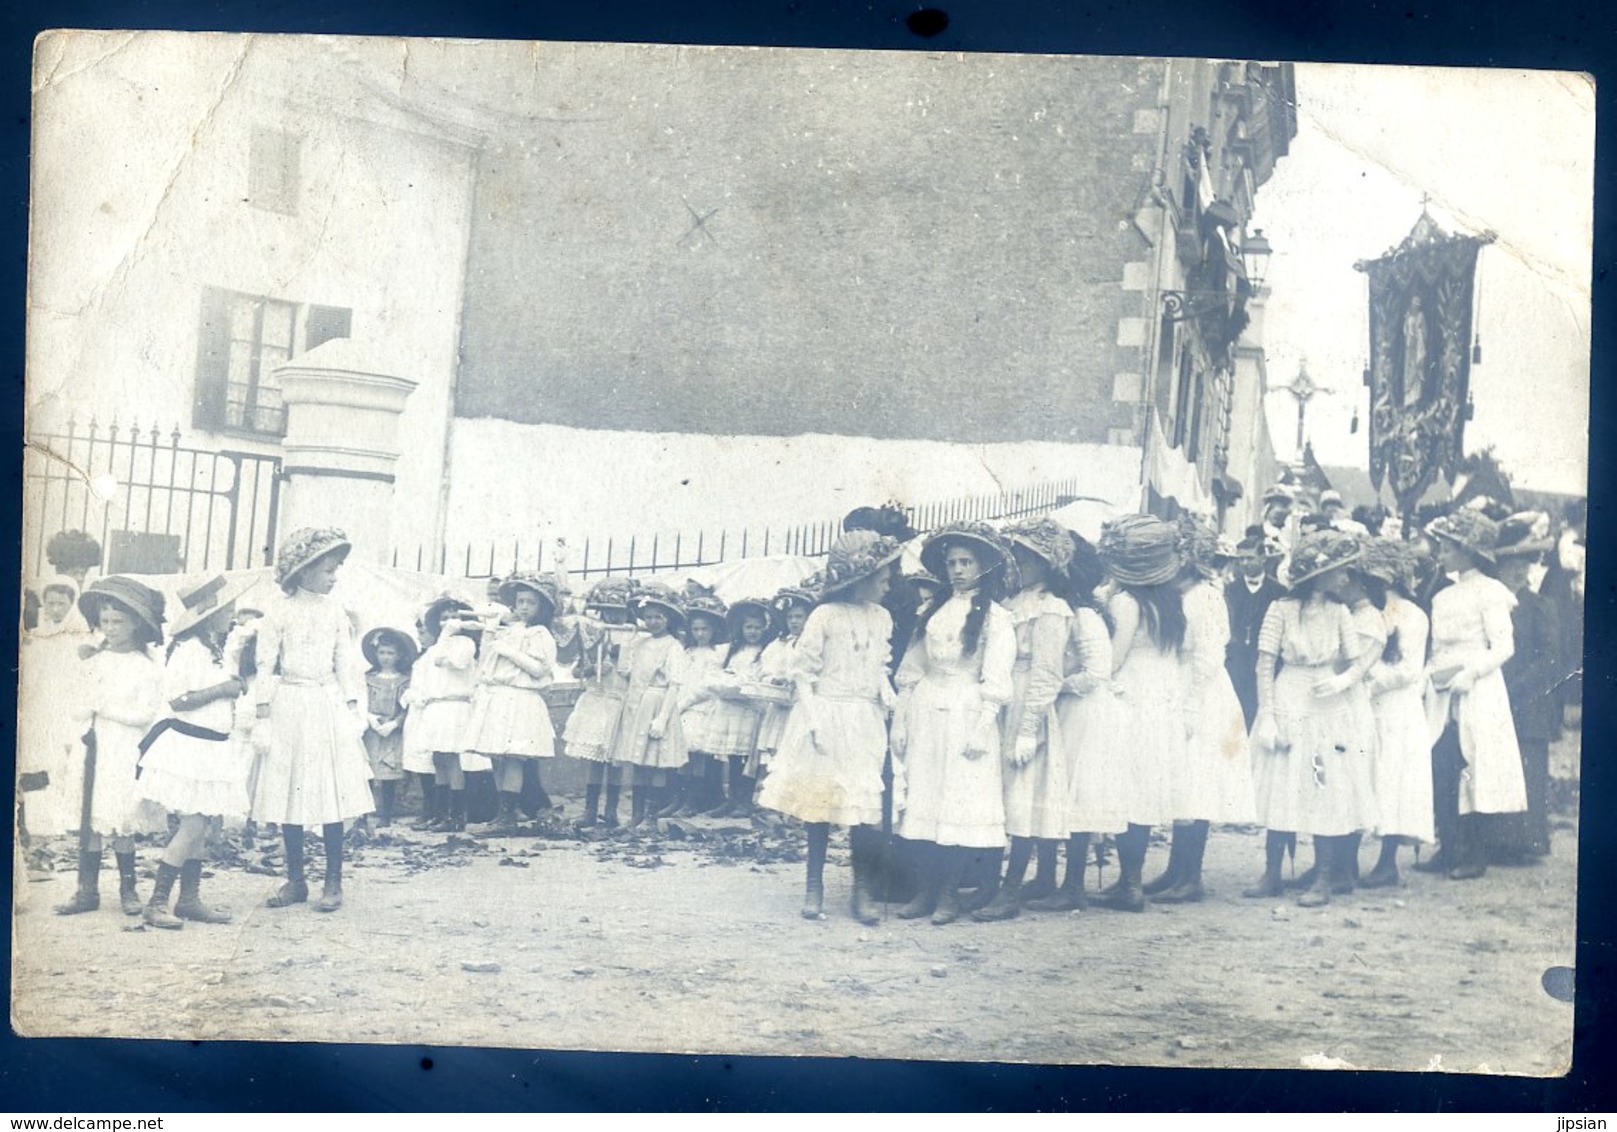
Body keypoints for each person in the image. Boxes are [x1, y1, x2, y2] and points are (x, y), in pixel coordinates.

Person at [758, 531, 902, 922]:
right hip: (826, 714)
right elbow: (803, 673)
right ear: (862, 576)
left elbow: (879, 664)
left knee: (863, 806)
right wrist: (814, 719)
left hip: (864, 719)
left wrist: (884, 689)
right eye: (883, 576)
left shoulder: (882, 617)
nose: (889, 583)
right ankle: (813, 884)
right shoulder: (825, 615)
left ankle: (862, 889)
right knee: (821, 801)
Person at [891, 521, 1015, 926]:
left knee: (959, 802)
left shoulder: (997, 618)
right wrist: (903, 720)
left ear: (983, 567)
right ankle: (926, 890)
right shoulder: (933, 611)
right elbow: (912, 667)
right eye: (951, 563)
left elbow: (997, 677)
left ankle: (948, 893)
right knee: (927, 797)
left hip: (968, 710)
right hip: (929, 708)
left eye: (966, 562)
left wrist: (983, 726)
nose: (958, 570)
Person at [1246, 530, 1378, 906]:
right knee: (1281, 782)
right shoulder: (1281, 610)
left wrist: (1341, 681)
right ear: (1317, 575)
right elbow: (1264, 664)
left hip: (1327, 706)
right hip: (1289, 697)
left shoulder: (1340, 613)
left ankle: (1323, 876)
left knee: (1325, 784)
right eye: (1338, 571)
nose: (1344, 578)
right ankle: (1272, 872)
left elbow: (1358, 665)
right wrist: (1267, 714)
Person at [251, 528, 374, 912]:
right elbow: (264, 665)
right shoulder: (278, 611)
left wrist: (354, 709)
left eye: (337, 569)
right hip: (289, 703)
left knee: (328, 791)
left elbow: (346, 664)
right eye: (327, 570)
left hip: (325, 705)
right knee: (291, 791)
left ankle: (333, 881)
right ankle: (296, 879)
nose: (334, 576)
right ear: (303, 571)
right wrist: (262, 714)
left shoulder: (335, 611)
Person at [136, 574, 258, 928]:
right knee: (192, 826)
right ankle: (156, 903)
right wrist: (223, 689)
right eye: (226, 611)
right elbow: (178, 700)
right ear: (208, 615)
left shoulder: (213, 649)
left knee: (201, 825)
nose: (231, 616)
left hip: (212, 747)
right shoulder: (188, 649)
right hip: (189, 748)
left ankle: (188, 899)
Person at [1146, 515, 1256, 904]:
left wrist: (1191, 703)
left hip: (1204, 693)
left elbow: (1209, 655)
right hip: (1182, 686)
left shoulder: (1206, 596)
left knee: (1198, 781)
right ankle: (1176, 869)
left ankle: (1191, 876)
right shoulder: (1182, 593)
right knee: (1182, 781)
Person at [974, 519, 1073, 922]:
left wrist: (1030, 729)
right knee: (996, 793)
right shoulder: (1013, 604)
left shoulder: (1052, 609)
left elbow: (1049, 672)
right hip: (1003, 697)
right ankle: (990, 883)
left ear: (1046, 564)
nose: (1019, 563)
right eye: (1017, 554)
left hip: (1028, 701)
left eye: (1028, 557)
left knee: (1024, 797)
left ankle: (1011, 889)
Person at [52, 577, 167, 917]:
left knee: (120, 819)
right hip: (94, 747)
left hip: (123, 749)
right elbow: (76, 706)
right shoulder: (93, 662)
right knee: (92, 816)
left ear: (135, 624)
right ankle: (86, 890)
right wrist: (86, 708)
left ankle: (128, 889)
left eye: (119, 622)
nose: (111, 628)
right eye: (105, 622)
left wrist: (104, 708)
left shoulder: (144, 668)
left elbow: (144, 714)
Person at [1423, 509, 1527, 880]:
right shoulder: (1443, 596)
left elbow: (1503, 647)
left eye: (1448, 548)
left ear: (1467, 551)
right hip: (1442, 688)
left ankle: (1475, 853)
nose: (1441, 553)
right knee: (1443, 762)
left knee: (1475, 765)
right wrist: (1430, 677)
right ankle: (1447, 847)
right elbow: (1437, 649)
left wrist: (1471, 673)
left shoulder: (1490, 592)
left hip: (1477, 688)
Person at [1089, 516, 1184, 912]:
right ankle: (1130, 880)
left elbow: (1114, 658)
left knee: (1128, 790)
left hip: (1133, 696)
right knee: (1143, 791)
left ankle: (1130, 884)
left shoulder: (1126, 603)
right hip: (1161, 695)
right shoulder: (1170, 601)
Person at [1034, 530, 1122, 912]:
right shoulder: (1057, 610)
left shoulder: (1085, 615)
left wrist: (1057, 686)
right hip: (1065, 710)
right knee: (1053, 791)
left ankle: (1073, 886)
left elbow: (1097, 672)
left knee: (1077, 795)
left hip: (1085, 712)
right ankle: (1045, 877)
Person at [1355, 539, 1435, 888]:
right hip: (1371, 705)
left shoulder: (1412, 615)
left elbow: (1408, 669)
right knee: (1365, 777)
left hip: (1397, 708)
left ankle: (1387, 862)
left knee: (1392, 780)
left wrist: (1368, 680)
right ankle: (1346, 860)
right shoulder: (1371, 612)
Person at [464, 573, 561, 832]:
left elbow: (540, 669)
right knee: (498, 757)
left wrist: (510, 652)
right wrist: (492, 637)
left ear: (541, 608)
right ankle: (503, 811)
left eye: (531, 602)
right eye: (521, 601)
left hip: (520, 697)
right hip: (499, 697)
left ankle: (508, 815)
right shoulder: (509, 631)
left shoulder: (540, 634)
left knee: (514, 757)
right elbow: (487, 664)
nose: (525, 607)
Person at [1491, 513, 1562, 862]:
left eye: (1525, 564)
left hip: (1529, 701)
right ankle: (1499, 841)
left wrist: (1515, 687)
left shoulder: (1539, 606)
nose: (1519, 572)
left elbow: (1549, 659)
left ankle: (1528, 841)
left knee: (1528, 767)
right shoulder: (1490, 604)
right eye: (1511, 565)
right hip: (1495, 697)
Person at [612, 585, 689, 827]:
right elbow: (626, 673)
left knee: (655, 762)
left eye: (659, 617)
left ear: (669, 619)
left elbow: (674, 685)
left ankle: (651, 815)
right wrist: (625, 646)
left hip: (658, 703)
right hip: (638, 704)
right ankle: (636, 814)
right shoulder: (640, 644)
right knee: (637, 761)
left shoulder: (673, 646)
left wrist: (662, 719)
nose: (653, 622)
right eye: (649, 617)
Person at [566, 577, 639, 829]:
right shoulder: (593, 634)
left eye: (619, 612)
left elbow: (639, 673)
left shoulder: (634, 637)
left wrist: (622, 664)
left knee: (615, 760)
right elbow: (576, 672)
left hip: (619, 702)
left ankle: (611, 811)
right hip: (596, 702)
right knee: (595, 760)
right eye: (609, 611)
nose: (614, 617)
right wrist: (592, 668)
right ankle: (589, 811)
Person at [403, 597, 480, 833]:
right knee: (439, 759)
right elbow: (434, 662)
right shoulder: (435, 647)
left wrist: (447, 637)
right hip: (436, 708)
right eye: (444, 618)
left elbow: (452, 662)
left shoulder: (465, 643)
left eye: (454, 617)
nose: (449, 622)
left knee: (452, 758)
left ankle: (457, 815)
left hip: (455, 706)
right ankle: (440, 811)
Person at [703, 598, 776, 818]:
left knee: (749, 755)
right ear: (741, 628)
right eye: (748, 627)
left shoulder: (766, 652)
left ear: (765, 628)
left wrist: (742, 682)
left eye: (757, 627)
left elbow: (762, 678)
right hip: (731, 710)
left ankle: (745, 799)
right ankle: (732, 798)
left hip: (751, 709)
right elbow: (715, 676)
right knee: (733, 755)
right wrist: (731, 681)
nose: (752, 632)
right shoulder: (731, 651)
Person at [672, 594, 730, 818]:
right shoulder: (687, 652)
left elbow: (708, 686)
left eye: (704, 629)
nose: (700, 634)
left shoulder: (718, 654)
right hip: (684, 706)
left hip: (704, 707)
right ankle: (681, 797)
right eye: (696, 630)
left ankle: (695, 799)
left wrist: (684, 703)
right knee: (683, 754)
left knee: (698, 754)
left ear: (714, 629)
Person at [1224, 533, 1287, 729]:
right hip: (1237, 661)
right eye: (1240, 558)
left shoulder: (1278, 591)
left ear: (1263, 559)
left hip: (1267, 661)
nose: (1244, 563)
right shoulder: (1231, 590)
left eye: (1249, 558)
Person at [360, 626, 417, 829]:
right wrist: (369, 718)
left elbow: (407, 708)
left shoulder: (404, 681)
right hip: (371, 729)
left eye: (390, 653)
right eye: (382, 652)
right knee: (367, 770)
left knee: (389, 772)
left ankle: (386, 813)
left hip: (392, 731)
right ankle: (364, 814)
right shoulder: (368, 679)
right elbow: (360, 701)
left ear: (398, 655)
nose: (385, 657)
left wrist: (395, 723)